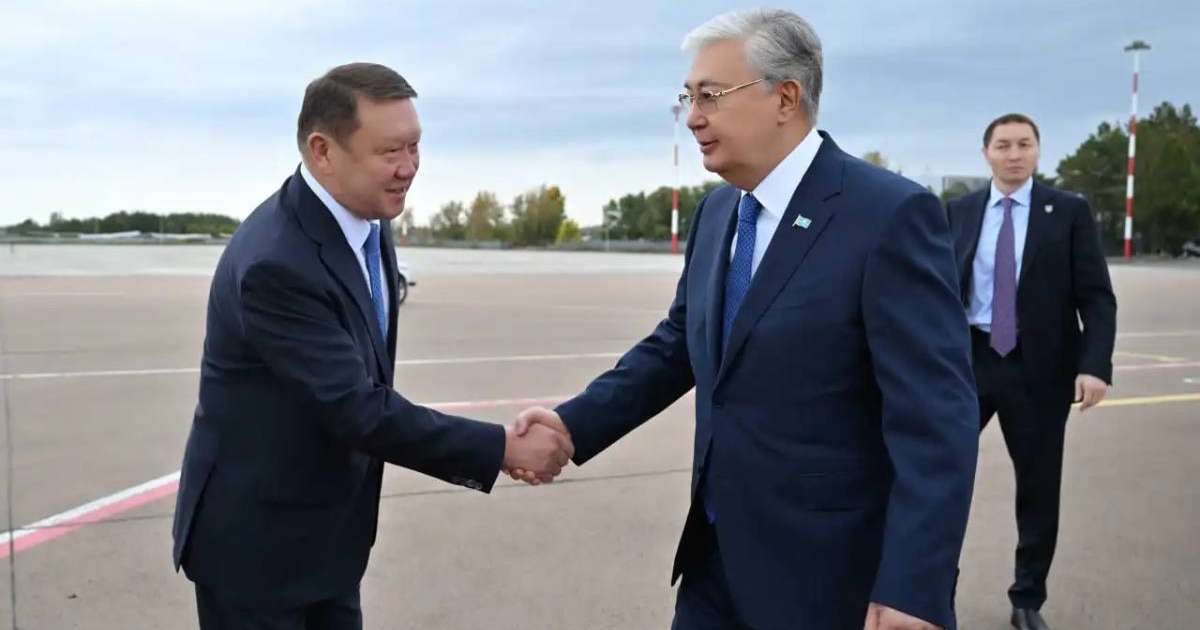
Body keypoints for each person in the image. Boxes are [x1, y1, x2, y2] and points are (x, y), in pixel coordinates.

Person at [512, 9, 978, 630]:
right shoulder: (718, 213)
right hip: (714, 561)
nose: (693, 117)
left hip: (830, 577)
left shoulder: (888, 215)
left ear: (785, 98)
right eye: (688, 97)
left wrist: (916, 587)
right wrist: (574, 424)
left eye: (710, 95)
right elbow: (679, 344)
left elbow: (936, 418)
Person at [171, 62, 572, 630]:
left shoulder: (368, 223)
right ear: (323, 151)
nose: (408, 167)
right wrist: (501, 448)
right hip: (258, 556)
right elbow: (356, 407)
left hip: (330, 543)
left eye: (415, 146)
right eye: (389, 151)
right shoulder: (276, 263)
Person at [945, 113, 1117, 630]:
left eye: (1024, 144)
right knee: (941, 479)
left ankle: (1027, 599)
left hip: (1038, 369)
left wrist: (1094, 365)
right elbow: (934, 290)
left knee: (1038, 490)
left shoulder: (1068, 212)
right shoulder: (958, 212)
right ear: (986, 153)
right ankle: (933, 591)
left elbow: (1097, 297)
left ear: (1038, 151)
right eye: (1003, 145)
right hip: (968, 363)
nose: (1014, 154)